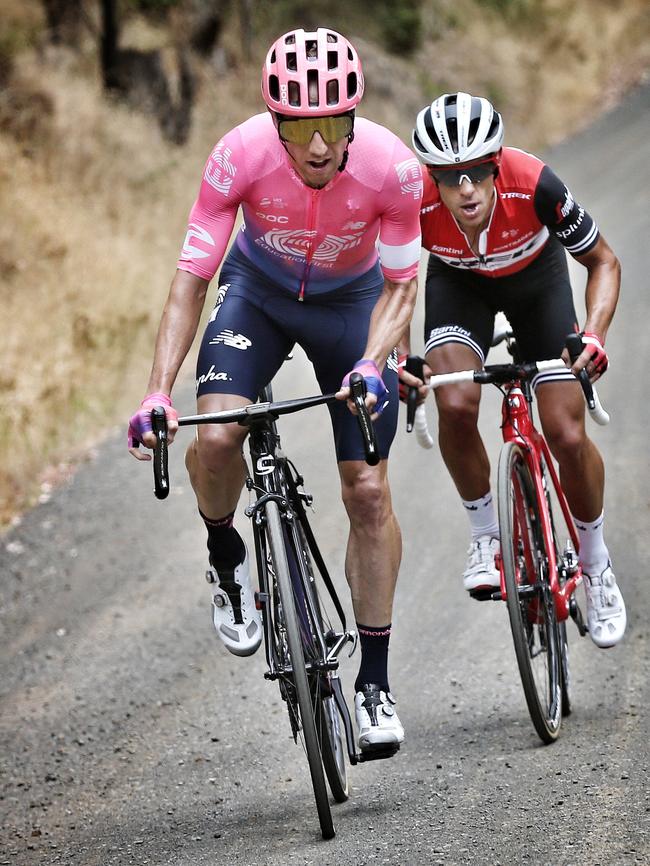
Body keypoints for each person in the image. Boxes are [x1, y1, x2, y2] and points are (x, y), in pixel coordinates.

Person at [127, 28, 424, 751]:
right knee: (218, 434)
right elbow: (192, 278)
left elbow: (401, 286)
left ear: (353, 118)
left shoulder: (393, 170)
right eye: (300, 128)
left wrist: (373, 363)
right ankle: (228, 557)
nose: (320, 146)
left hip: (354, 306)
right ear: (275, 123)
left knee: (369, 492)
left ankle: (375, 684)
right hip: (256, 293)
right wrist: (158, 392)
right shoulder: (239, 155)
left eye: (333, 125)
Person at [399, 91, 625, 648]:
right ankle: (486, 537)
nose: (466, 189)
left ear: (496, 165)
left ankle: (596, 564)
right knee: (454, 402)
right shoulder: (414, 206)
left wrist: (593, 333)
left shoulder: (536, 184)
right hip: (460, 286)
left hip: (537, 282)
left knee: (566, 432)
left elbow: (604, 261)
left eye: (477, 172)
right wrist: (400, 359)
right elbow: (395, 286)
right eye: (450, 177)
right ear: (433, 178)